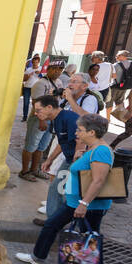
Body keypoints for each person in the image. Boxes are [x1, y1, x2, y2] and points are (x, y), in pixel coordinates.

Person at [14, 114, 114, 264]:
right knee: (52, 225)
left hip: (87, 205)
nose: (77, 132)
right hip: (75, 202)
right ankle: (38, 257)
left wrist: (84, 204)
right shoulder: (93, 148)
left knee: (89, 236)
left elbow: (98, 180)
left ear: (91, 132)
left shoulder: (102, 151)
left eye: (80, 130)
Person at [29, 97, 82, 230]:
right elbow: (62, 141)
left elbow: (79, 141)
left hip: (78, 160)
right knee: (56, 187)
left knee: (67, 192)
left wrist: (75, 165)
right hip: (70, 159)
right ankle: (52, 221)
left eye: (38, 110)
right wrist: (50, 159)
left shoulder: (69, 118)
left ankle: (61, 223)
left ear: (49, 108)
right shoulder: (56, 119)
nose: (36, 113)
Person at [18, 62, 63, 179]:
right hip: (38, 119)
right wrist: (42, 120)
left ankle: (34, 169)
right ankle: (24, 171)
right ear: (48, 69)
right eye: (54, 69)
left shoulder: (59, 83)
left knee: (41, 147)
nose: (57, 71)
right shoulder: (40, 83)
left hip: (51, 120)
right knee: (30, 146)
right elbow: (35, 104)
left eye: (60, 69)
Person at [20, 53, 41, 121]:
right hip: (27, 87)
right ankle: (25, 117)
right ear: (32, 62)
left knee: (36, 103)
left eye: (36, 62)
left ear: (38, 62)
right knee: (26, 103)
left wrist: (40, 74)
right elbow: (23, 79)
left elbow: (44, 78)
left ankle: (34, 117)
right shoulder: (29, 69)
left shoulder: (41, 69)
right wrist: (28, 75)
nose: (35, 64)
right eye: (34, 62)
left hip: (36, 88)